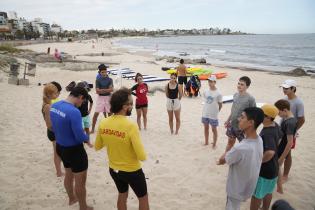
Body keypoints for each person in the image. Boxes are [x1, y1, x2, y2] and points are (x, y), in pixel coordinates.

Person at [94, 87, 149, 210]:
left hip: (114, 169)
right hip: (132, 171)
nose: (132, 106)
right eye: (131, 103)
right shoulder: (130, 125)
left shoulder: (104, 122)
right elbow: (142, 156)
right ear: (124, 106)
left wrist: (112, 136)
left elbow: (97, 146)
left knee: (122, 195)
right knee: (143, 198)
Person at [50, 86, 93, 210]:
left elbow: (53, 126)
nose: (81, 104)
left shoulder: (55, 105)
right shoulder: (74, 111)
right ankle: (83, 207)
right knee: (80, 182)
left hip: (61, 147)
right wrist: (87, 137)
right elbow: (79, 137)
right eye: (82, 101)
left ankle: (71, 199)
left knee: (69, 175)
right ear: (80, 97)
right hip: (75, 151)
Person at [217, 107, 264, 210]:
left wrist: (220, 159)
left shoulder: (240, 148)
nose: (238, 119)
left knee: (232, 206)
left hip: (236, 188)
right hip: (249, 186)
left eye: (242, 117)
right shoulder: (259, 139)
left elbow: (224, 159)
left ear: (251, 122)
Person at [250, 104, 283, 210]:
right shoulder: (275, 125)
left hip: (265, 170)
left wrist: (258, 161)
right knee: (268, 191)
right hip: (274, 168)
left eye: (261, 115)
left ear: (268, 118)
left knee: (256, 195)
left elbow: (270, 152)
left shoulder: (267, 133)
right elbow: (280, 139)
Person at [219, 76, 256, 162]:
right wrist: (228, 120)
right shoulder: (235, 95)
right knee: (230, 142)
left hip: (242, 127)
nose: (239, 86)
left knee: (243, 145)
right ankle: (226, 157)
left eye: (242, 84)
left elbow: (253, 114)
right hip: (232, 125)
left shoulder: (250, 99)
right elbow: (233, 109)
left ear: (247, 86)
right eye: (238, 83)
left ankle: (243, 160)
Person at [279, 79, 305, 182]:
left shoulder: (299, 102)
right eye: (283, 88)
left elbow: (302, 120)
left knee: (288, 153)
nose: (284, 90)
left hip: (290, 130)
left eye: (286, 88)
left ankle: (285, 175)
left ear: (293, 88)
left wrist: (294, 130)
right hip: (282, 127)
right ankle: (279, 172)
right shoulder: (285, 98)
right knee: (281, 150)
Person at [42, 83, 63, 177]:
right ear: (49, 94)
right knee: (57, 153)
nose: (57, 95)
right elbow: (48, 124)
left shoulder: (49, 104)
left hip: (54, 131)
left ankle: (59, 170)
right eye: (55, 93)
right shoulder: (47, 106)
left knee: (58, 152)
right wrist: (58, 130)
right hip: (53, 132)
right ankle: (58, 172)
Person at [274, 99, 297, 185]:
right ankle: (278, 183)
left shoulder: (290, 123)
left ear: (285, 110)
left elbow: (290, 142)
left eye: (278, 112)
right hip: (280, 147)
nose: (278, 114)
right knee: (277, 167)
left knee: (277, 166)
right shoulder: (287, 119)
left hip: (282, 148)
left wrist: (282, 158)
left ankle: (279, 184)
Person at [91, 64, 113, 133]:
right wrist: (106, 90)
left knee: (110, 114)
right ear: (100, 73)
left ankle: (110, 129)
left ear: (107, 72)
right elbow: (97, 91)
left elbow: (111, 89)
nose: (104, 73)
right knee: (95, 114)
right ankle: (92, 129)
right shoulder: (98, 80)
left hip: (108, 98)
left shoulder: (110, 79)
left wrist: (102, 90)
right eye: (102, 72)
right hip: (100, 98)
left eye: (105, 72)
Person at [201, 75, 222, 147]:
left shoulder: (218, 93)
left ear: (215, 82)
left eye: (211, 81)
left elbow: (220, 104)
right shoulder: (206, 91)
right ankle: (206, 142)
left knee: (214, 129)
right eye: (209, 81)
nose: (209, 83)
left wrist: (216, 111)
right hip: (205, 113)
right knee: (206, 128)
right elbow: (206, 100)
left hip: (213, 114)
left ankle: (214, 143)